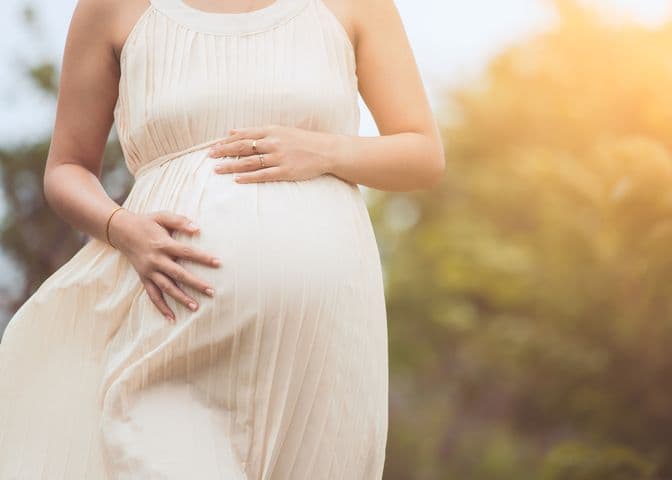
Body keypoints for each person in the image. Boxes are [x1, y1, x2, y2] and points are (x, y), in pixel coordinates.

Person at [0, 0, 445, 478]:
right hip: (171, 333)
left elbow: (422, 153)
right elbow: (66, 169)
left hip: (324, 351)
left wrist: (325, 149)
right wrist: (122, 228)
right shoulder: (112, 8)